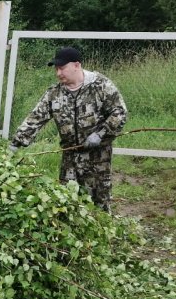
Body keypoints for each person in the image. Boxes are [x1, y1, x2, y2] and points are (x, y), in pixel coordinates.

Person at [8, 46, 127, 212]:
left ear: (76, 65)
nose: (58, 73)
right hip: (69, 157)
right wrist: (16, 143)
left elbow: (119, 113)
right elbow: (35, 118)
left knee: (98, 205)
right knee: (67, 203)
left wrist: (100, 134)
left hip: (98, 158)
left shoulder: (101, 86)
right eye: (56, 69)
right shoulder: (55, 93)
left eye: (62, 68)